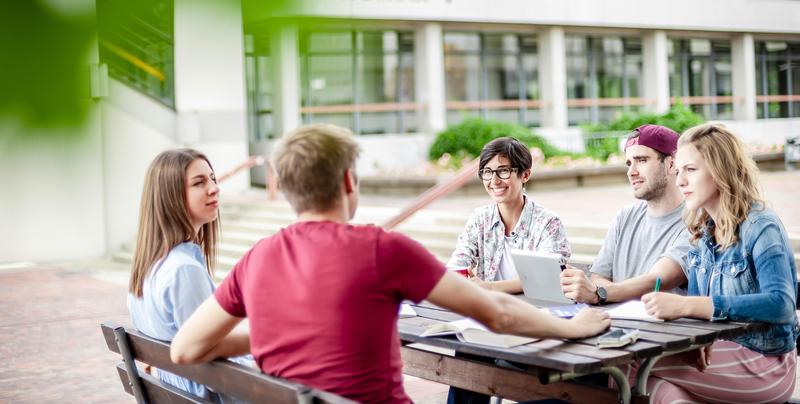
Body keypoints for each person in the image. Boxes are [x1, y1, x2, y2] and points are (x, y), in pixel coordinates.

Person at [170, 124, 611, 403]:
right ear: (348, 182)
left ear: (285, 189)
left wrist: (281, 331)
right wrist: (573, 327)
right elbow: (495, 313)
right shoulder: (382, 250)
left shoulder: (256, 258)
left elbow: (185, 348)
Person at [636, 123, 798, 403]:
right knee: (653, 386)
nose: (680, 181)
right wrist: (698, 338)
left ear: (721, 170)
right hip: (720, 355)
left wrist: (688, 306)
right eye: (680, 170)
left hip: (767, 363)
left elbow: (781, 304)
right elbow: (701, 319)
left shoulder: (761, 225)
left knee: (634, 365)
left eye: (691, 170)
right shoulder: (701, 233)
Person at [127, 148, 249, 399]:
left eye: (213, 179)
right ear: (170, 196)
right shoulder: (183, 270)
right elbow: (208, 361)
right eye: (199, 182)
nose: (215, 188)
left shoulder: (150, 267)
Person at [560, 124, 690, 305]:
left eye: (642, 160)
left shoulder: (695, 220)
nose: (631, 172)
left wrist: (600, 293)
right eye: (629, 163)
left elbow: (658, 280)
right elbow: (599, 277)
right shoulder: (625, 216)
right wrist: (599, 290)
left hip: (667, 331)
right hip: (617, 325)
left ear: (672, 164)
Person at [448, 136, 570, 294]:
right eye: (487, 172)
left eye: (503, 171)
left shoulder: (548, 223)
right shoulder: (480, 219)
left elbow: (549, 278)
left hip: (535, 311)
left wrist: (489, 287)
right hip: (489, 310)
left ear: (525, 175)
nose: (494, 180)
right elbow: (459, 261)